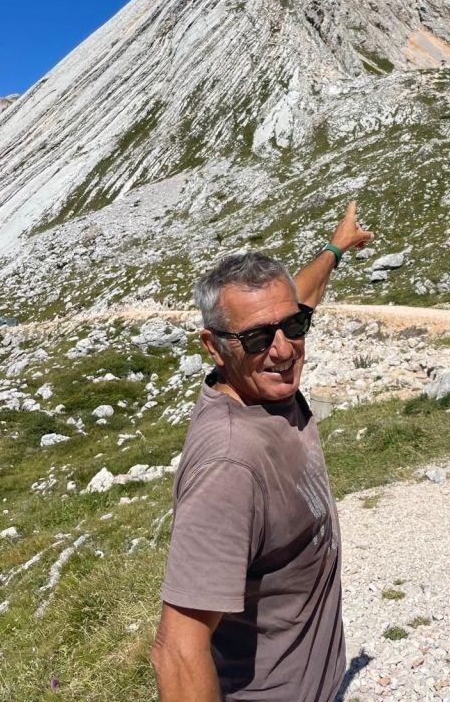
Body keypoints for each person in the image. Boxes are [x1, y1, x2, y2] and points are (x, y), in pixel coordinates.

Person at [151, 202, 374, 702]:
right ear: (214, 346)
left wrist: (336, 248)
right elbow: (176, 651)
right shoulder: (230, 465)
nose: (283, 350)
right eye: (256, 338)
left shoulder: (264, 365)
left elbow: (295, 300)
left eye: (294, 327)